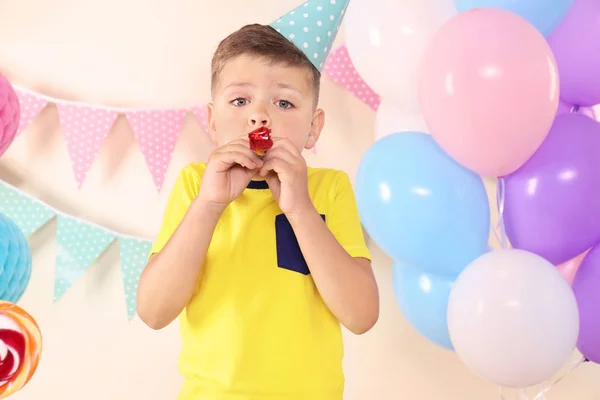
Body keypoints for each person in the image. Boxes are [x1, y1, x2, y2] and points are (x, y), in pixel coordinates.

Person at [136, 1, 379, 399]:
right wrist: (209, 206)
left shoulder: (330, 189)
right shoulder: (195, 185)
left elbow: (361, 315)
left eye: (284, 103)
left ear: (313, 129)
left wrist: (300, 209)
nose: (259, 117)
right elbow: (154, 311)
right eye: (240, 101)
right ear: (213, 123)